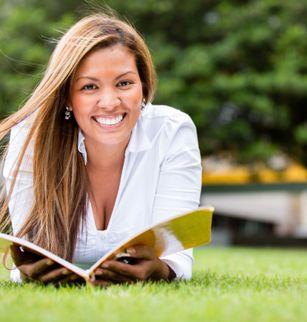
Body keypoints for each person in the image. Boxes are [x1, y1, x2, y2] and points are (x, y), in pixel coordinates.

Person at [0, 13, 202, 286]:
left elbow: (177, 257)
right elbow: (29, 254)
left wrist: (161, 270)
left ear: (143, 87)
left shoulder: (172, 131)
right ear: (67, 97)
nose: (109, 102)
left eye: (124, 83)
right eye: (89, 87)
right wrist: (28, 272)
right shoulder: (32, 137)